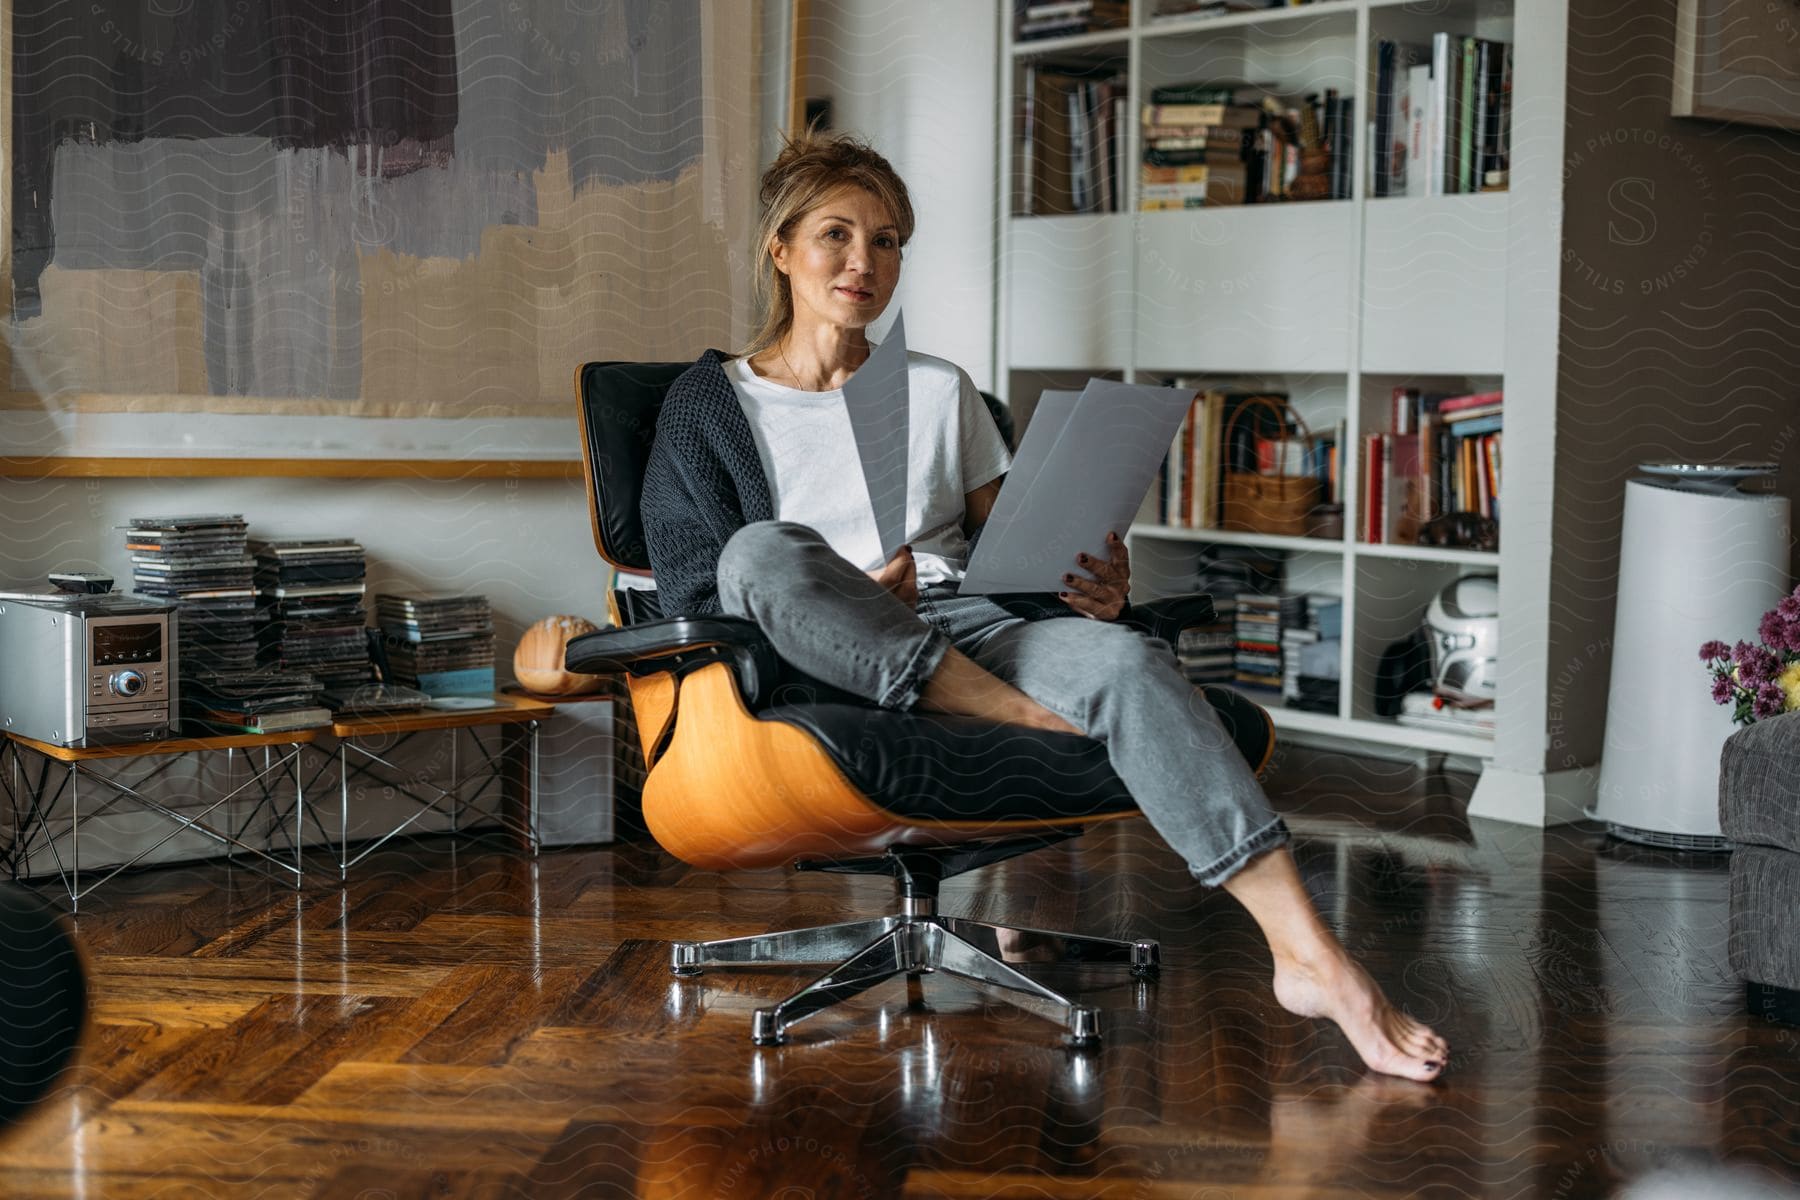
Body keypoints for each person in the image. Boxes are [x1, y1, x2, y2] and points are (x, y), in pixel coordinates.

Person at [641, 132, 1449, 1082]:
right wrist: (857, 597)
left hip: (968, 629)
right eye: (837, 235)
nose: (866, 262)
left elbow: (1014, 556)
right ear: (780, 249)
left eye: (889, 239)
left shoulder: (938, 391)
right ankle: (1025, 718)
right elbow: (702, 586)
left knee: (1127, 664)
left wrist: (1096, 586)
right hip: (818, 652)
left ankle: (1310, 956)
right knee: (761, 551)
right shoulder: (707, 404)